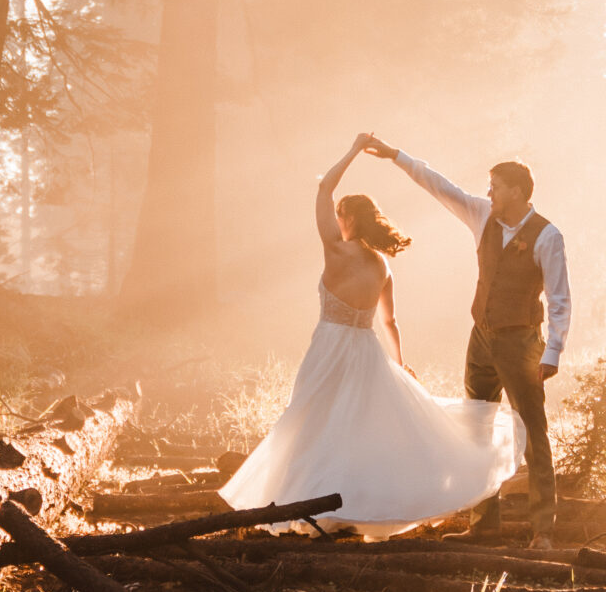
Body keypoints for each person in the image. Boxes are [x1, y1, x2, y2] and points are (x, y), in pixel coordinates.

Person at [217, 132, 524, 535]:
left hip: (328, 347)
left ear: (347, 218)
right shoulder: (382, 266)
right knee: (360, 429)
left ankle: (315, 508)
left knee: (310, 423)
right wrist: (400, 364)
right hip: (366, 351)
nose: (337, 221)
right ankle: (343, 508)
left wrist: (351, 151)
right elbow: (390, 322)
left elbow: (324, 187)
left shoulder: (335, 251)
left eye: (341, 215)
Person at [363, 136, 569, 540]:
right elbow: (439, 185)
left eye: (494, 185)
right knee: (477, 427)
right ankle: (483, 525)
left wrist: (554, 351)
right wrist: (395, 156)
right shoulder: (480, 215)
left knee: (533, 433)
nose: (487, 191)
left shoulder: (548, 237)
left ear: (516, 191)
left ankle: (543, 531)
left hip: (522, 343)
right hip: (482, 339)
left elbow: (561, 299)